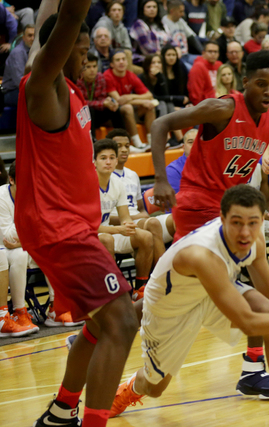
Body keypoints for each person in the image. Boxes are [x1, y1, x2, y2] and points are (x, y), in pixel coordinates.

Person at [108, 184, 269, 426]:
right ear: (222, 218)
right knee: (154, 386)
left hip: (214, 290)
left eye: (253, 222)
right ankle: (131, 388)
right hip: (169, 308)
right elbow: (248, 322)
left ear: (262, 220)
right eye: (236, 222)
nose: (245, 232)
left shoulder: (254, 238)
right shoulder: (201, 254)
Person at [17, 1, 138, 426]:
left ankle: (62, 410)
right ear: (58, 47)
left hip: (71, 226)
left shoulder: (63, 84)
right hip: (58, 227)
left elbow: (54, 15)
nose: (87, 59)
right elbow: (66, 16)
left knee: (106, 322)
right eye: (81, 50)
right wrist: (73, 16)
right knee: (123, 321)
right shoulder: (42, 85)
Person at [149, 50, 269, 400]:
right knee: (197, 287)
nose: (268, 91)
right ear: (244, 82)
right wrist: (160, 178)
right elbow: (160, 124)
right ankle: (111, 328)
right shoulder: (222, 108)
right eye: (261, 84)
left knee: (223, 290)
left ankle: (253, 371)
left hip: (235, 210)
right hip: (199, 204)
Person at [94, 138, 155, 301]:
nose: (108, 162)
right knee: (107, 239)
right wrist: (118, 230)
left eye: (112, 157)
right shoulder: (86, 185)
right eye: (103, 158)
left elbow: (125, 218)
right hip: (87, 236)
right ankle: (113, 292)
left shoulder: (118, 183)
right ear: (94, 162)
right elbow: (87, 227)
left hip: (107, 233)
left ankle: (140, 288)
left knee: (145, 236)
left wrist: (128, 226)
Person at [107, 128, 174, 251]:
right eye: (119, 146)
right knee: (152, 226)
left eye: (127, 146)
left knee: (176, 220)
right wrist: (137, 218)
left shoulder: (132, 175)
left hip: (139, 221)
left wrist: (143, 216)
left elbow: (141, 209)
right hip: (119, 225)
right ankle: (162, 269)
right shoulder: (104, 176)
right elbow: (103, 218)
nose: (124, 149)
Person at [0, 162, 39, 335]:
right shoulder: (1, 196)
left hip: (25, 245)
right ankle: (12, 314)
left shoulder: (37, 195)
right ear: (11, 180)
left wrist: (24, 242)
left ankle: (56, 308)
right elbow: (7, 238)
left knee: (55, 248)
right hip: (3, 248)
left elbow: (45, 232)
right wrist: (25, 209)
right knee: (18, 254)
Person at [105, 50, 156, 149]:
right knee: (128, 107)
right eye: (118, 60)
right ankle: (138, 144)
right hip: (113, 113)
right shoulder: (107, 76)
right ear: (111, 64)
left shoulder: (130, 75)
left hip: (130, 109)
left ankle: (152, 142)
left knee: (150, 106)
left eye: (123, 59)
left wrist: (131, 96)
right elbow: (119, 100)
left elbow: (149, 95)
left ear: (127, 62)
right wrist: (142, 101)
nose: (121, 62)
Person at [77, 52, 127, 139]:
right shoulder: (77, 80)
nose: (92, 70)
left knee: (114, 109)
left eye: (94, 66)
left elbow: (102, 99)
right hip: (81, 116)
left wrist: (110, 102)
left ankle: (123, 139)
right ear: (82, 68)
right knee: (88, 109)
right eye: (88, 67)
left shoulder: (100, 77)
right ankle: (92, 141)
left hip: (98, 114)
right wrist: (103, 103)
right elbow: (81, 103)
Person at [93, 1, 140, 74]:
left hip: (118, 56)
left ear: (123, 13)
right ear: (109, 13)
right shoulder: (103, 24)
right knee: (125, 55)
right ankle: (127, 81)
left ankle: (129, 79)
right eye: (114, 10)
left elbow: (128, 47)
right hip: (102, 55)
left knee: (141, 71)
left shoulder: (122, 27)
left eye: (119, 10)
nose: (117, 12)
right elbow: (103, 45)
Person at [2, 23, 34, 106]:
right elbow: (19, 82)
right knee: (39, 98)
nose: (32, 38)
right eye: (29, 36)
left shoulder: (34, 51)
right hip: (12, 92)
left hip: (26, 89)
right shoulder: (18, 53)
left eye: (34, 35)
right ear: (23, 38)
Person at [188, 40, 223, 105]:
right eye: (210, 51)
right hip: (206, 105)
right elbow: (195, 94)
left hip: (220, 101)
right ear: (203, 53)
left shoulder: (219, 65)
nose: (213, 54)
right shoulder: (198, 67)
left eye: (215, 52)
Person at [166, 127, 197, 193]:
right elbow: (176, 201)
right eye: (190, 142)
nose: (195, 145)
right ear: (183, 147)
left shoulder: (212, 165)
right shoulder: (173, 170)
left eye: (198, 142)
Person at [161, 44, 191, 108]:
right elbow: (159, 96)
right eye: (168, 55)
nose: (171, 57)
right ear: (163, 56)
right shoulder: (159, 73)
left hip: (181, 105)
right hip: (166, 105)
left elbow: (185, 91)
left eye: (174, 55)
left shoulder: (180, 70)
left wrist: (188, 103)